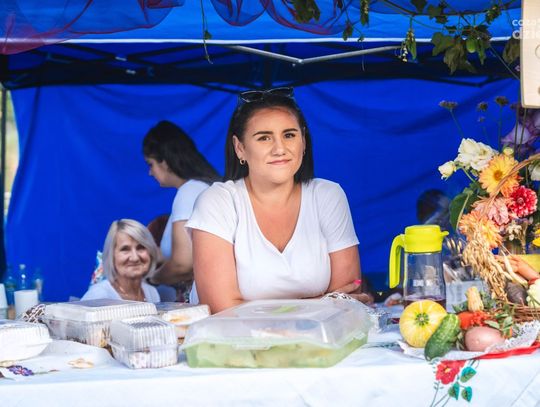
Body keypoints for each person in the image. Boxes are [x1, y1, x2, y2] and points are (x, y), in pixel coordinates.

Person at [186, 87, 372, 313]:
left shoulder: (328, 196)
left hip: (318, 336)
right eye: (264, 138)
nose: (280, 149)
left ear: (304, 141)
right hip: (234, 337)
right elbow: (221, 310)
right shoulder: (217, 202)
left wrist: (253, 307)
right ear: (240, 148)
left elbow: (346, 303)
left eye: (289, 135)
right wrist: (320, 303)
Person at [142, 121, 220, 301]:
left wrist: (151, 279)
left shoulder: (189, 191)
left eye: (151, 164)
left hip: (200, 302)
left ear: (165, 162)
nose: (150, 172)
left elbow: (183, 264)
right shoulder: (207, 186)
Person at [82, 219, 160, 302]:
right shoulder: (99, 296)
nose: (135, 258)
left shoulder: (152, 293)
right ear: (112, 256)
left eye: (141, 248)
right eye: (125, 249)